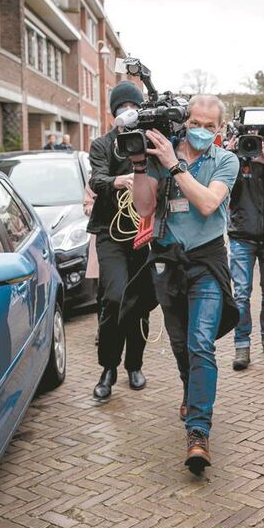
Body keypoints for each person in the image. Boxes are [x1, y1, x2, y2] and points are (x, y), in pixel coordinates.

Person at [132, 94, 240, 474]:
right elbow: (144, 207)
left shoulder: (225, 160)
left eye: (211, 126)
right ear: (184, 120)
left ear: (221, 129)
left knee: (200, 343)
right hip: (167, 262)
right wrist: (141, 167)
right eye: (196, 123)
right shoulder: (162, 154)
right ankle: (189, 388)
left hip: (207, 262)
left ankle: (198, 432)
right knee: (181, 345)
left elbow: (208, 203)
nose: (202, 131)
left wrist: (175, 166)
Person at [87, 82, 156, 400]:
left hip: (144, 233)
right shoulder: (102, 144)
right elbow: (96, 178)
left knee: (139, 302)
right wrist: (119, 180)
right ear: (113, 112)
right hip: (110, 233)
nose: (127, 112)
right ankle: (108, 367)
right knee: (113, 299)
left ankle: (135, 364)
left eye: (133, 106)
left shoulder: (151, 141)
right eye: (121, 107)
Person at [226, 117, 264, 370]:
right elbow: (228, 191)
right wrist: (231, 157)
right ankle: (242, 345)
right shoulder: (239, 159)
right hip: (242, 237)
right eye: (263, 132)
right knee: (241, 294)